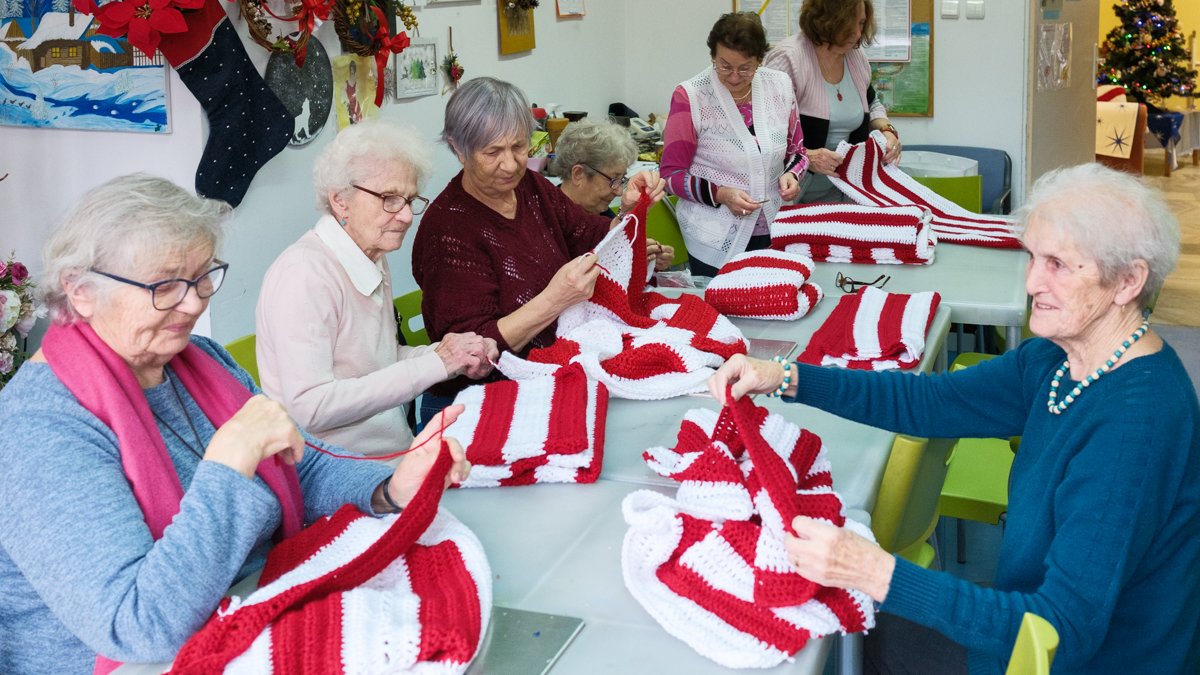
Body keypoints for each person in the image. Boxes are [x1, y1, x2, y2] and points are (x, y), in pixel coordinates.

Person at [709, 163, 1199, 674]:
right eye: (1033, 257)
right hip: (1030, 620)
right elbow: (928, 402)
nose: (1032, 282)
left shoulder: (1134, 427)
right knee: (857, 631)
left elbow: (1060, 634)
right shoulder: (1058, 361)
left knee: (854, 632)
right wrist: (787, 377)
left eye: (1057, 264)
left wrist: (875, 572)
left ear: (1127, 281)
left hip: (1087, 660)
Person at [0, 175, 473, 674]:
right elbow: (139, 626)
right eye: (165, 286)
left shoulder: (198, 359)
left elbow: (302, 465)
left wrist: (390, 486)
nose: (193, 302)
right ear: (81, 291)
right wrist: (228, 466)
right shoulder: (38, 428)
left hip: (244, 611)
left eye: (203, 276)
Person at [411, 77, 667, 423]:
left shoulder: (530, 186)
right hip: (475, 409)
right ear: (459, 149)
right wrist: (555, 300)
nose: (511, 164)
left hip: (546, 381)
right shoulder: (447, 231)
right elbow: (473, 355)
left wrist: (627, 209)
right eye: (492, 152)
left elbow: (588, 235)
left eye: (519, 147)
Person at [257, 120, 496, 459]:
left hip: (390, 456)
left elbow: (377, 362)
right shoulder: (305, 274)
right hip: (333, 472)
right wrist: (437, 364)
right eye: (389, 199)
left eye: (409, 200)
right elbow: (311, 406)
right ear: (341, 201)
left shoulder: (369, 256)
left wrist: (455, 354)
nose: (406, 217)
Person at [660, 12, 809, 278]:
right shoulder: (691, 96)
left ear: (760, 60)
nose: (734, 77)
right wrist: (720, 194)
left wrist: (791, 175)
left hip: (773, 230)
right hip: (713, 238)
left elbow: (797, 151)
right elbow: (671, 175)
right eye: (724, 65)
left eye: (746, 67)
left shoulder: (780, 86)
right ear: (713, 56)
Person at [764, 0, 902, 203]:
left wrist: (887, 130)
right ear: (826, 21)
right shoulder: (788, 58)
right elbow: (762, 131)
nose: (856, 33)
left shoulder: (855, 57)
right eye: (849, 24)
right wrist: (807, 157)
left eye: (862, 23)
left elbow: (872, 103)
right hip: (791, 194)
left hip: (844, 191)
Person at [550, 118, 675, 270]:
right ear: (578, 174)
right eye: (613, 179)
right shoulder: (548, 222)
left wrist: (649, 258)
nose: (619, 191)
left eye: (621, 179)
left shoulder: (603, 214)